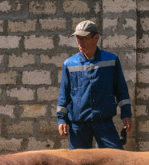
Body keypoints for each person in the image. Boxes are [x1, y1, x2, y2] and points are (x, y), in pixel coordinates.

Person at [57, 20, 133, 149]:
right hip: (78, 125)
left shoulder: (111, 60)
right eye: (78, 38)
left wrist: (126, 114)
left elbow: (121, 90)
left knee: (115, 159)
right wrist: (61, 120)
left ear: (96, 38)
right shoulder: (69, 64)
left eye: (84, 38)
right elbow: (64, 94)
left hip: (104, 123)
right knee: (78, 164)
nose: (80, 42)